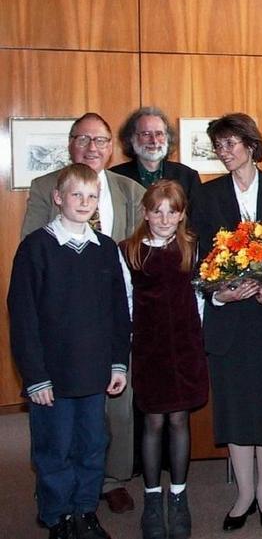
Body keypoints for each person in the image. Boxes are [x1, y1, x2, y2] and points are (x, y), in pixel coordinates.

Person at [21, 112, 145, 515]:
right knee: (57, 435)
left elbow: (137, 260)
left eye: (102, 141)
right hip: (58, 339)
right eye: (84, 139)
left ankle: (104, 487)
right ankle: (59, 507)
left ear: (112, 147)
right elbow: (28, 290)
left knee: (104, 426)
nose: (93, 148)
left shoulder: (128, 190)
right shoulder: (46, 196)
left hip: (104, 333)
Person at [191, 113, 262, 532]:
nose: (224, 152)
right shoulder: (206, 196)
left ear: (252, 145)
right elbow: (202, 257)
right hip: (231, 317)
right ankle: (242, 494)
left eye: (231, 144)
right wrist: (218, 293)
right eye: (218, 146)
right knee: (236, 408)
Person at [8, 163, 131, 539]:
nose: (84, 202)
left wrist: (118, 364)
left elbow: (118, 312)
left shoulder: (105, 249)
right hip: (53, 378)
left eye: (91, 196)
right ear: (58, 199)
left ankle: (84, 511)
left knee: (93, 445)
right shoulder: (36, 249)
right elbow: (23, 317)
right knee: (54, 449)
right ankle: (58, 516)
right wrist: (35, 376)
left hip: (94, 373)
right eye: (76, 195)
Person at [120, 180, 209, 539]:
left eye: (172, 211)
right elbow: (126, 300)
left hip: (185, 346)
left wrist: (198, 337)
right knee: (153, 422)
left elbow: (201, 297)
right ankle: (153, 497)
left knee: (179, 420)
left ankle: (178, 496)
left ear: (182, 214)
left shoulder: (191, 246)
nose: (164, 218)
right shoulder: (129, 250)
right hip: (149, 348)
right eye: (157, 210)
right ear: (145, 212)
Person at [111, 106, 202, 206]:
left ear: (168, 137)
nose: (154, 140)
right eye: (146, 134)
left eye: (159, 134)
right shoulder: (115, 178)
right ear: (132, 138)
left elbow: (197, 218)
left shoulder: (188, 177)